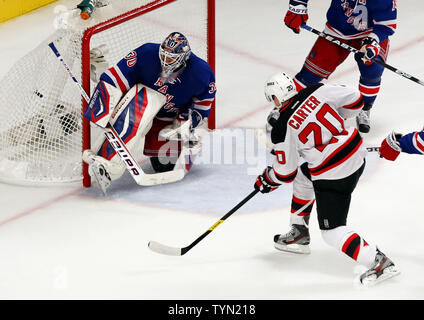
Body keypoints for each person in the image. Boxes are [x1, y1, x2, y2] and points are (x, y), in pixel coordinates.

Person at [254, 71, 399, 285]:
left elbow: (285, 173)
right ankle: (299, 232)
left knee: (332, 232)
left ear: (276, 98)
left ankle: (378, 261)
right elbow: (357, 101)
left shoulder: (282, 128)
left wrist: (268, 178)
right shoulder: (316, 90)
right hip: (356, 153)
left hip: (335, 174)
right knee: (304, 178)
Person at [82, 32, 216, 191]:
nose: (166, 62)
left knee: (164, 165)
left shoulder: (201, 73)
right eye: (164, 56)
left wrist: (186, 124)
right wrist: (101, 107)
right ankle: (108, 163)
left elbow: (202, 105)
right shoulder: (146, 53)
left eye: (172, 58)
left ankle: (111, 157)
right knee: (145, 100)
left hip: (168, 118)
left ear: (184, 58)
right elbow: (116, 77)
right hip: (136, 102)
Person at [282, 0, 397, 133]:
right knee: (311, 73)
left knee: (372, 69)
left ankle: (364, 108)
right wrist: (298, 5)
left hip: (369, 33)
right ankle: (286, 105)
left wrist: (373, 42)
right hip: (336, 30)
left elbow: (386, 25)